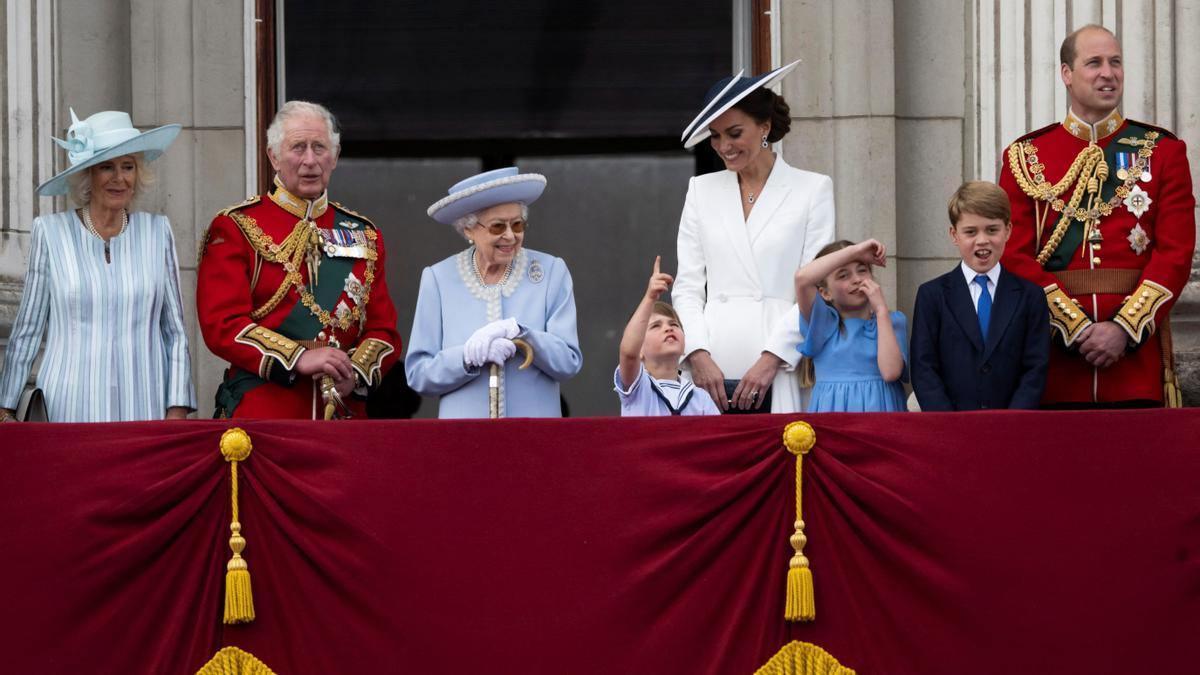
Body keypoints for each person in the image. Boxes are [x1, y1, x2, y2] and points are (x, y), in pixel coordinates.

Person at [998, 24, 1196, 408]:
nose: (1109, 72)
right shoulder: (1025, 157)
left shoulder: (1163, 152)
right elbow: (1013, 254)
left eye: (1116, 62)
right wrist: (1073, 327)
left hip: (1134, 363)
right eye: (1094, 63)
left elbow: (1175, 253)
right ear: (1067, 74)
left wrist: (1123, 328)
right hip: (1053, 362)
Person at [196, 100, 401, 419]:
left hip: (343, 418)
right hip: (265, 415)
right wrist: (297, 358)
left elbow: (383, 330)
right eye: (298, 147)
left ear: (334, 157)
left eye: (319, 147)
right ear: (273, 156)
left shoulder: (365, 234)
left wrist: (355, 374)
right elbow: (222, 325)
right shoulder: (236, 226)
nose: (310, 160)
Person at [0, 109, 195, 422]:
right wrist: (6, 406)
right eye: (106, 167)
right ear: (88, 174)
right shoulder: (51, 233)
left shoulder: (157, 232)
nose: (119, 178)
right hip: (70, 406)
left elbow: (175, 332)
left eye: (128, 166)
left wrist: (177, 407)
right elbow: (28, 329)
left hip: (145, 405)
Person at [675, 61, 835, 414]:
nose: (723, 146)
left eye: (734, 133)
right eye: (715, 136)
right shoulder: (701, 190)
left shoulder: (812, 189)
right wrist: (697, 353)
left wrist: (773, 358)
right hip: (710, 368)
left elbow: (815, 287)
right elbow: (687, 286)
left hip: (778, 365)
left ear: (764, 127)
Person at [405, 167, 582, 418]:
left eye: (518, 224)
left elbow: (568, 362)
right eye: (498, 227)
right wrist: (465, 357)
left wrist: (522, 334)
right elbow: (418, 375)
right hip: (465, 438)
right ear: (468, 230)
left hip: (534, 438)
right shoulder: (438, 278)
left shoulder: (551, 271)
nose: (510, 236)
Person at [910, 181, 1050, 411]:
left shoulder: (1030, 296)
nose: (982, 240)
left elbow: (1035, 368)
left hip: (1011, 427)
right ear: (954, 235)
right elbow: (924, 368)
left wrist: (1012, 421)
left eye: (992, 229)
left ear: (1008, 231)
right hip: (952, 428)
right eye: (970, 231)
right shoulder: (932, 296)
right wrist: (949, 423)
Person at [792, 239, 907, 413]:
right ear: (825, 292)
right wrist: (855, 251)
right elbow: (802, 278)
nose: (857, 280)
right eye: (843, 275)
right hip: (834, 416)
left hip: (881, 416)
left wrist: (881, 310)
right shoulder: (821, 323)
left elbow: (891, 372)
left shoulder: (892, 321)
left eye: (862, 270)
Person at [615, 256, 720, 416]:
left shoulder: (701, 398)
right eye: (656, 326)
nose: (668, 329)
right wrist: (650, 298)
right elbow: (628, 353)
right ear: (640, 351)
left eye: (674, 325)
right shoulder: (638, 387)